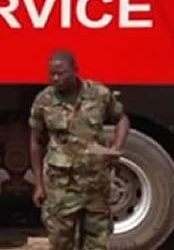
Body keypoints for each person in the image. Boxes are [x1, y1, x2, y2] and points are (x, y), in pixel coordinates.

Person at [29, 50, 131, 250]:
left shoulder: (99, 94)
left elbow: (121, 118)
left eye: (61, 73)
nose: (55, 78)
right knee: (60, 241)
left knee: (97, 241)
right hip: (62, 188)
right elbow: (35, 142)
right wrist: (39, 184)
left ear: (75, 70)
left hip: (96, 186)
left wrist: (117, 146)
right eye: (52, 74)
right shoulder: (44, 101)